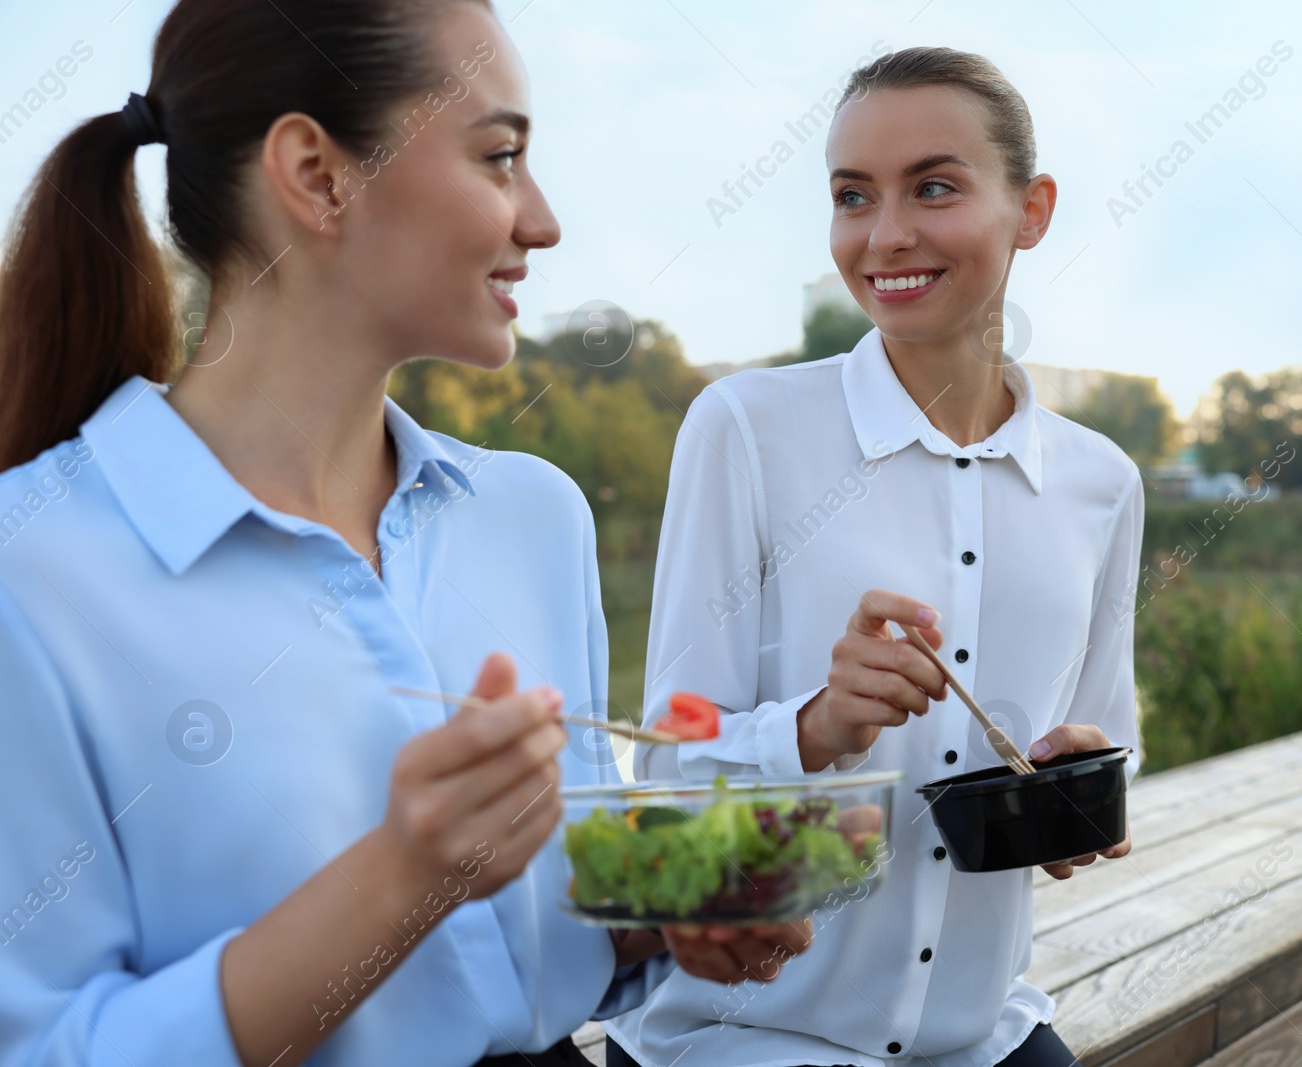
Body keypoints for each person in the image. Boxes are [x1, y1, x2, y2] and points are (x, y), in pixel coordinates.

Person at [0, 3, 807, 1066]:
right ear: (318, 173)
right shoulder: (34, 570)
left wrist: (664, 914)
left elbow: (554, 928)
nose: (543, 220)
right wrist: (401, 875)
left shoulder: (535, 515)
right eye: (501, 156)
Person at [605, 47, 1143, 1067]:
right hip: (743, 1037)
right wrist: (815, 728)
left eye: (933, 186)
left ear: (1031, 211)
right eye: (853, 195)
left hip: (979, 1035)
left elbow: (1107, 739)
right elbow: (668, 782)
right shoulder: (746, 427)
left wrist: (1076, 794)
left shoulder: (1102, 482)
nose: (884, 234)